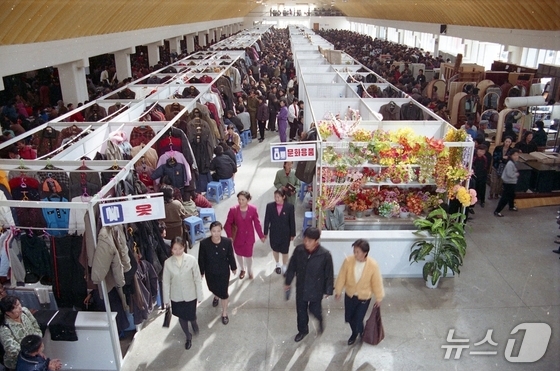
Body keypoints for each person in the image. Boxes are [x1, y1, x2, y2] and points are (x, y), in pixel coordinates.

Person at [284, 227, 334, 342]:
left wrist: (328, 290)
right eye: (305, 239)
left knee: (315, 309)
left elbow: (329, 274)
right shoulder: (299, 250)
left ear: (316, 241)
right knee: (301, 311)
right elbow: (292, 267)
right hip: (301, 287)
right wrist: (288, 282)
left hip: (316, 288)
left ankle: (320, 320)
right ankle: (302, 330)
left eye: (309, 241)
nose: (306, 242)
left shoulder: (325, 255)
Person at [334, 239, 384, 345]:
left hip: (364, 297)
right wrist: (338, 290)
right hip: (350, 295)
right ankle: (356, 331)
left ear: (365, 253)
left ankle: (358, 333)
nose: (355, 254)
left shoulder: (373, 265)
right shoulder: (348, 261)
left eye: (358, 252)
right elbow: (341, 276)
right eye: (354, 251)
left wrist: (379, 297)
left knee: (358, 318)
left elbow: (377, 282)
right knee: (349, 317)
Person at [162, 237, 203, 350]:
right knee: (181, 317)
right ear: (171, 249)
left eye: (180, 248)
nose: (178, 251)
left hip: (190, 295)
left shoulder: (191, 260)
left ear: (184, 247)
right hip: (177, 296)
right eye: (175, 249)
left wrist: (200, 295)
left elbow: (197, 279)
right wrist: (166, 300)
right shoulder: (168, 263)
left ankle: (194, 323)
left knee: (191, 315)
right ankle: (188, 336)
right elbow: (165, 283)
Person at [198, 222, 237, 325]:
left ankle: (224, 313)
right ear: (210, 231)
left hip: (223, 271)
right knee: (212, 287)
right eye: (214, 231)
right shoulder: (204, 244)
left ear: (221, 231)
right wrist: (201, 272)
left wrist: (233, 267)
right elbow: (201, 259)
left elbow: (230, 256)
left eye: (218, 231)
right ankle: (216, 295)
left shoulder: (227, 242)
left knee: (224, 293)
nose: (216, 233)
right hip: (210, 272)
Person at [224, 191, 265, 280]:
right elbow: (227, 224)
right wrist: (230, 236)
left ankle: (250, 270)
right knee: (239, 254)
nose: (240, 201)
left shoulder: (253, 209)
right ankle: (242, 269)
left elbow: (257, 223)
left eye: (243, 200)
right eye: (239, 199)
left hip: (249, 238)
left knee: (249, 256)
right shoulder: (233, 210)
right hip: (237, 238)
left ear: (248, 200)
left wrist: (261, 235)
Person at [0, 296, 42, 370]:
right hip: (19, 362)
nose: (20, 308)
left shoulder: (25, 311)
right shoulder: (5, 327)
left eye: (19, 304)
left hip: (35, 353)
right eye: (15, 307)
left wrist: (37, 346)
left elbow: (36, 326)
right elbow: (11, 349)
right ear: (8, 313)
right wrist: (32, 351)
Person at [263, 189, 296, 275]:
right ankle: (277, 264)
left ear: (283, 197)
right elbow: (267, 220)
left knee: (285, 251)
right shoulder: (270, 206)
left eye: (278, 197)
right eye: (275, 197)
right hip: (274, 232)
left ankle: (284, 265)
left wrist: (293, 233)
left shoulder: (289, 207)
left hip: (285, 233)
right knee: (275, 249)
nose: (276, 199)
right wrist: (265, 232)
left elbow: (292, 221)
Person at [494, 149, 520, 217]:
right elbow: (509, 174)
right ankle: (497, 211)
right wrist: (516, 174)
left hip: (512, 182)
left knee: (512, 195)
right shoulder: (510, 163)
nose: (516, 156)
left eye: (517, 155)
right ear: (511, 156)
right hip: (509, 182)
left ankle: (511, 206)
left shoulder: (513, 162)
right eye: (514, 155)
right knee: (505, 197)